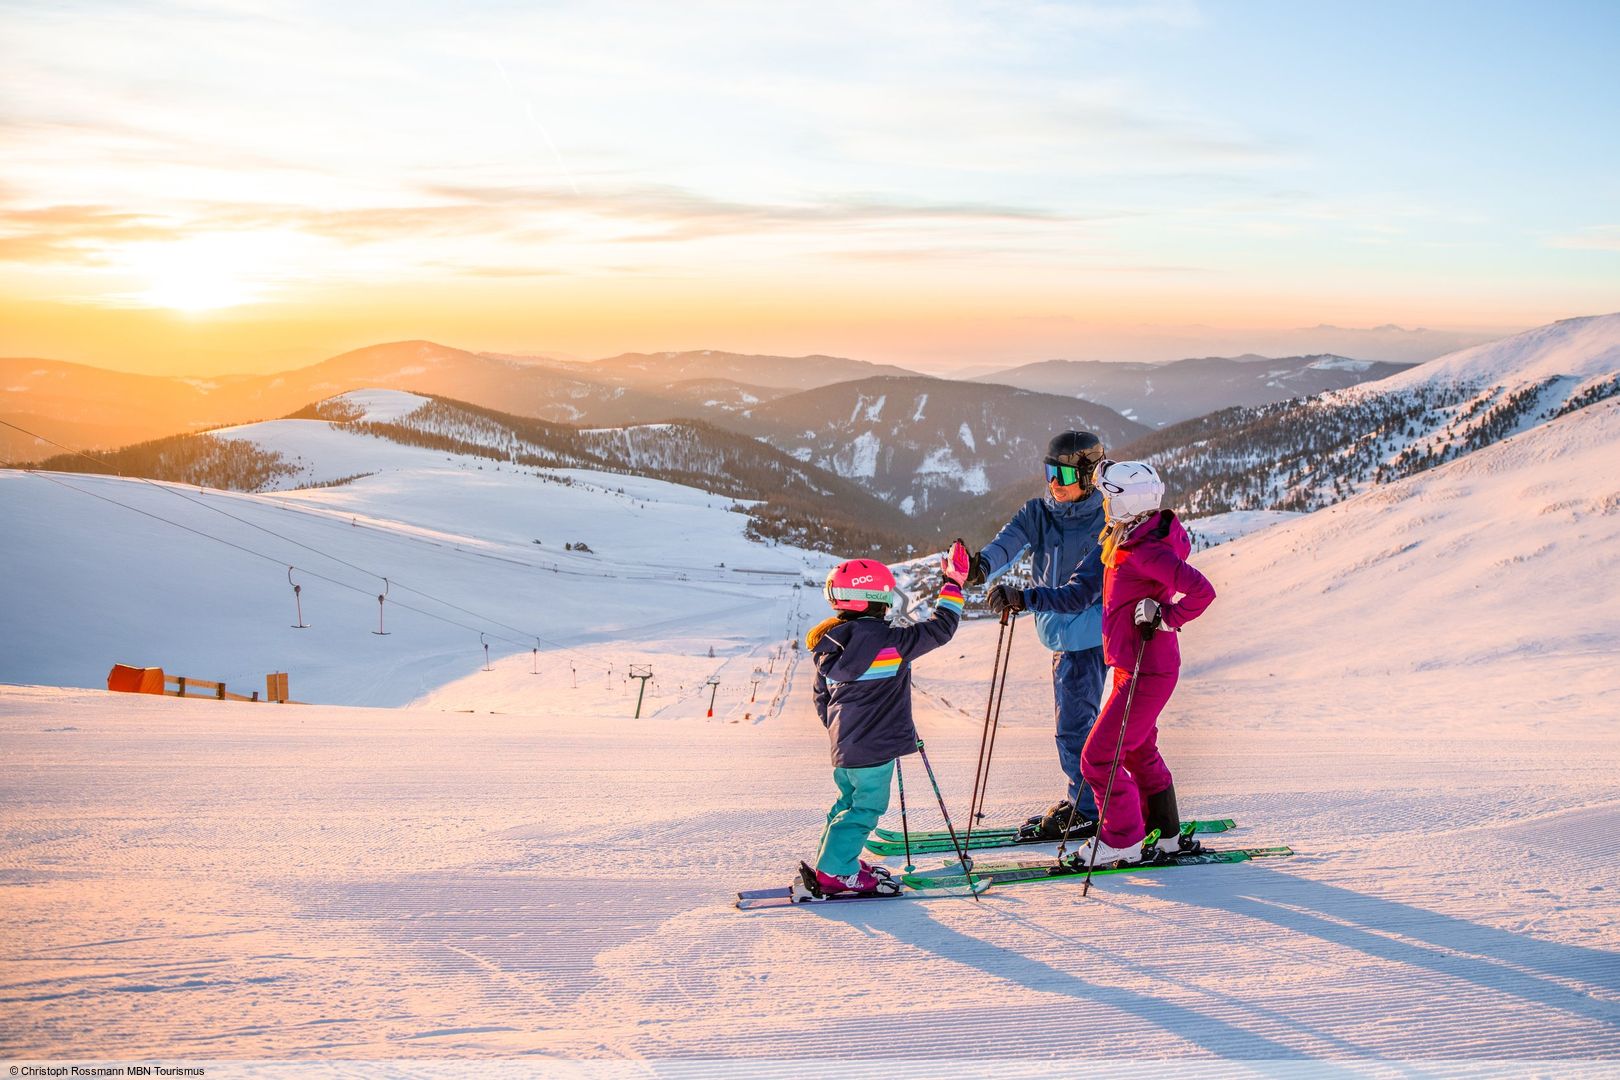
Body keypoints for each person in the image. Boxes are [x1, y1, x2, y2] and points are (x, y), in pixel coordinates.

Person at [990, 460, 1215, 865]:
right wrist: (1026, 599)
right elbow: (1078, 594)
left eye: (1110, 498)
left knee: (1098, 757)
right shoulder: (1123, 539)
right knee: (1138, 751)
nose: (1104, 504)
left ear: (1128, 503)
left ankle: (1121, 840)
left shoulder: (1144, 551)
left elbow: (1202, 590)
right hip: (1133, 665)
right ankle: (1164, 834)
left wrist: (1166, 617)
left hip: (1148, 668)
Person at [793, 541, 971, 900]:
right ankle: (836, 872)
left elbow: (821, 700)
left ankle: (835, 860)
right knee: (866, 808)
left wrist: (843, 733)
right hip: (874, 750)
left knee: (847, 804)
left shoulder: (828, 645)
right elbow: (941, 629)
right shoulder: (890, 641)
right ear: (877, 598)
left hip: (845, 748)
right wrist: (953, 583)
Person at [965, 430, 1108, 840]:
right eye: (1049, 472)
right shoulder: (1038, 513)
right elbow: (1006, 545)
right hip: (1059, 636)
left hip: (1089, 637)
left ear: (1087, 476)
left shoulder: (1106, 521)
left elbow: (1083, 592)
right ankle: (1088, 797)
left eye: (1061, 475)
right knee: (1078, 723)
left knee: (1075, 727)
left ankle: (1087, 807)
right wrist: (980, 567)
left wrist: (1024, 597)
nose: (1052, 483)